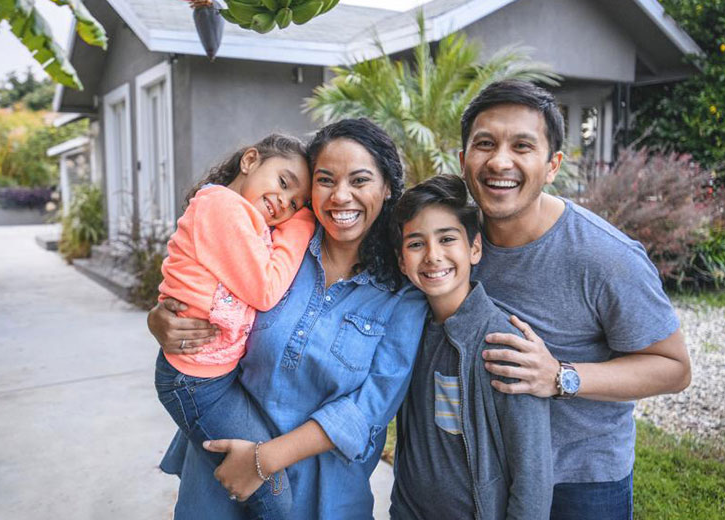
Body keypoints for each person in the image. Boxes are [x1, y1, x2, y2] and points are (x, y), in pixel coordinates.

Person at [147, 118, 428, 519]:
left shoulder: (401, 291)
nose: (341, 196)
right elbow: (195, 279)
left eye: (360, 180)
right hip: (220, 470)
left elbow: (369, 406)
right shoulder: (274, 243)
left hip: (319, 492)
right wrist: (161, 318)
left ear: (386, 189)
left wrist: (264, 459)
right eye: (326, 180)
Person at [459, 80, 691, 519]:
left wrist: (560, 377)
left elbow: (674, 368)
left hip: (581, 482)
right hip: (485, 471)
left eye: (522, 145)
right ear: (463, 160)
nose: (500, 161)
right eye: (484, 143)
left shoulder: (604, 256)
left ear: (552, 165)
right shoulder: (453, 244)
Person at [154, 133, 316, 518]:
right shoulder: (223, 207)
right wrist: (304, 222)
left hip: (211, 377)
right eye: (283, 182)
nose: (285, 203)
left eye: (296, 203)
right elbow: (264, 289)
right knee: (272, 493)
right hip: (196, 383)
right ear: (250, 161)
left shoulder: (247, 219)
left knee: (263, 482)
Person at [389, 174, 553, 520]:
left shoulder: (503, 344)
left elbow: (533, 474)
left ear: (474, 248)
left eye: (447, 239)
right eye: (416, 244)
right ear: (402, 261)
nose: (433, 256)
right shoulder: (407, 331)